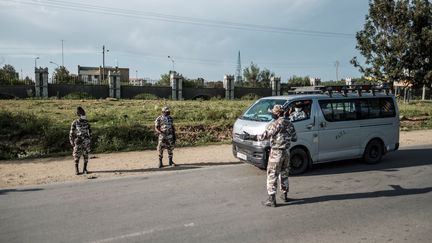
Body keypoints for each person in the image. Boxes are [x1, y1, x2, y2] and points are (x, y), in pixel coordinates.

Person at [258, 104, 297, 207]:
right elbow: (295, 138)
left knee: (272, 174)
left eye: (273, 113)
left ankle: (271, 199)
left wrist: (251, 136)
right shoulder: (289, 124)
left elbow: (264, 136)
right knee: (284, 174)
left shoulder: (275, 124)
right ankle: (284, 195)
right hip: (287, 152)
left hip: (276, 153)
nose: (272, 114)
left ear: (277, 113)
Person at [69, 106, 92, 175]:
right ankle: (77, 170)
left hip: (86, 141)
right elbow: (71, 133)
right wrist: (72, 141)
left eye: (84, 114)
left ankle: (85, 169)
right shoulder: (75, 123)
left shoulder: (87, 123)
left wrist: (90, 140)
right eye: (82, 114)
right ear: (79, 115)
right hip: (78, 141)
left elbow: (90, 132)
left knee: (86, 155)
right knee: (76, 155)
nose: (84, 116)